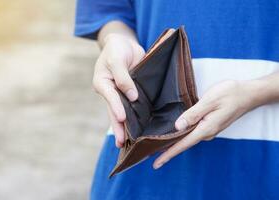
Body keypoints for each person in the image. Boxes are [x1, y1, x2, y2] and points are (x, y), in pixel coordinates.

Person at [74, 0, 279, 199]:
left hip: (259, 162)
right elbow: (110, 11)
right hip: (140, 162)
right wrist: (116, 40)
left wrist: (257, 92)